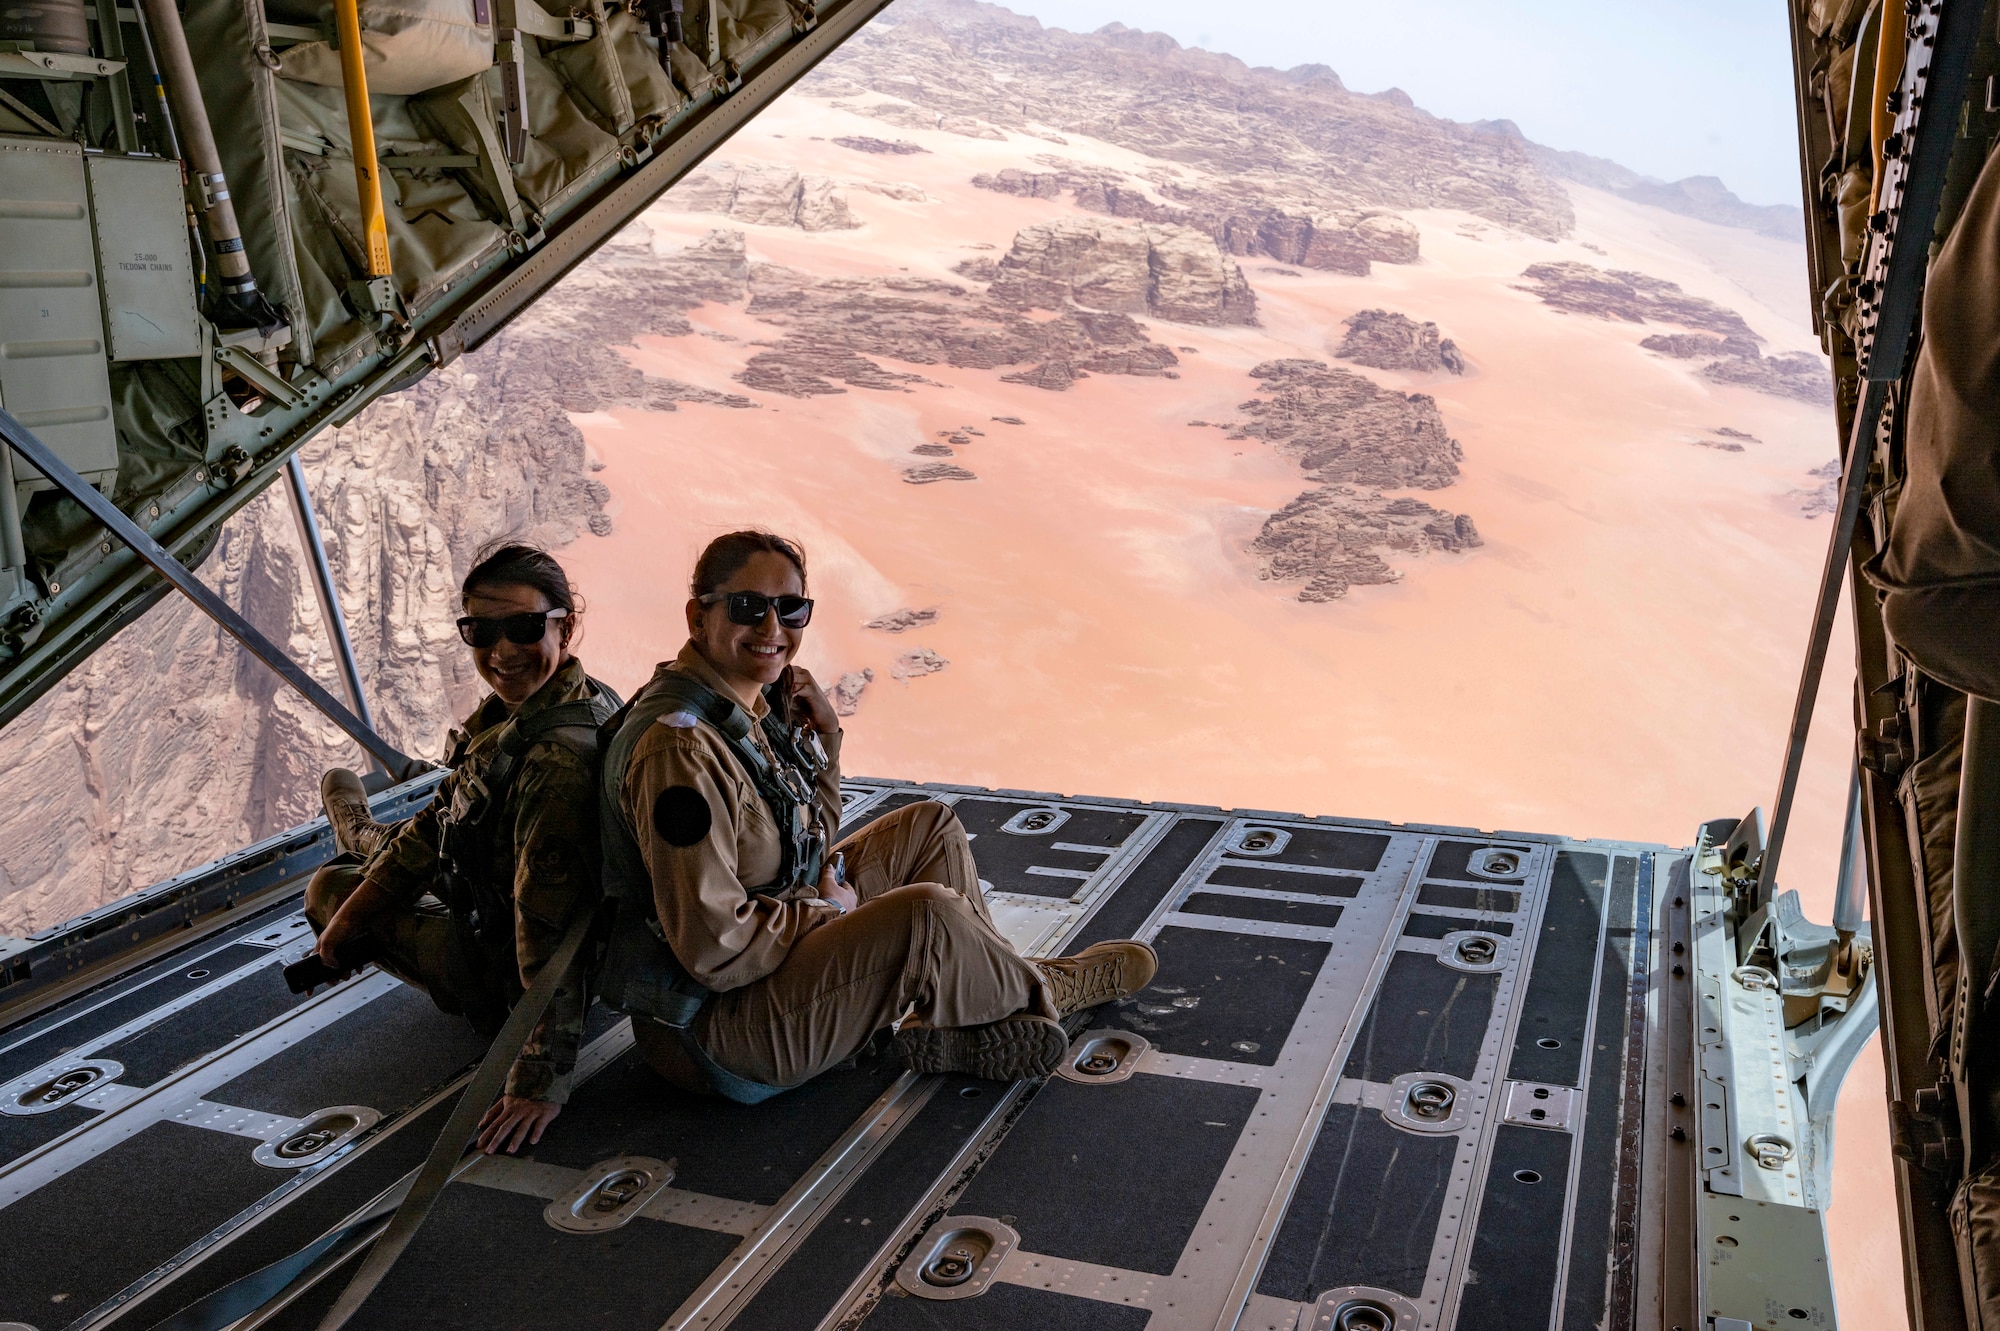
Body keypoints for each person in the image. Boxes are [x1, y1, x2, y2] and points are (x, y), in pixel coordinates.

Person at [599, 529, 1157, 1100]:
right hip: (720, 1033)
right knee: (925, 915)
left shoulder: (740, 708)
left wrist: (825, 743)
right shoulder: (682, 752)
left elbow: (806, 845)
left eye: (791, 609)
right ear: (698, 617)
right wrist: (823, 911)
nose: (773, 629)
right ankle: (1039, 993)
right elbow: (715, 948)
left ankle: (982, 1004)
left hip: (770, 968)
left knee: (928, 827)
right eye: (748, 608)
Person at [306, 543, 618, 1154]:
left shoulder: (555, 764)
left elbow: (547, 931)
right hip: (493, 890)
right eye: (481, 630)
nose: (501, 652)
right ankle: (367, 840)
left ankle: (358, 837)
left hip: (506, 969)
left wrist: (539, 1080)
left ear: (566, 624)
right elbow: (449, 807)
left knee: (327, 885)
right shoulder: (553, 706)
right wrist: (359, 915)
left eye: (524, 628)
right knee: (384, 870)